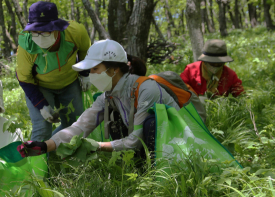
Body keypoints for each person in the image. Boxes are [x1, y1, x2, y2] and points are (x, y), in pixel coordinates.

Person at [18, 40, 180, 157]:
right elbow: (79, 127)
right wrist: (45, 146)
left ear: (114, 69)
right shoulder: (108, 97)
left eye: (95, 69)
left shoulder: (146, 89)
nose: (91, 75)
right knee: (114, 117)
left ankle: (157, 171)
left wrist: (97, 146)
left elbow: (135, 141)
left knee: (150, 123)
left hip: (178, 144)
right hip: (147, 144)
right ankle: (137, 167)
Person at [17, 1, 91, 142]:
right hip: (41, 86)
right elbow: (24, 78)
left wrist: (85, 74)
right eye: (35, 32)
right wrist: (41, 105)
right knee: (42, 128)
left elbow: (85, 51)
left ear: (57, 28)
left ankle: (53, 149)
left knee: (75, 125)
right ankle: (37, 163)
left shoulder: (75, 32)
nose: (39, 36)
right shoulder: (27, 46)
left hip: (70, 82)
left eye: (45, 31)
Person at [180, 39, 244, 98]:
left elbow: (240, 94)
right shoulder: (191, 70)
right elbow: (180, 86)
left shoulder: (230, 74)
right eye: (212, 63)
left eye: (219, 64)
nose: (216, 66)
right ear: (205, 61)